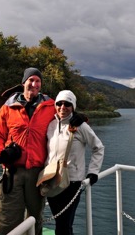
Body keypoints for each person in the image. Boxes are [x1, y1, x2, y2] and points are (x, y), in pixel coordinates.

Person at [0, 67, 55, 235]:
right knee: (7, 218)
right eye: (31, 80)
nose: (34, 84)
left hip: (37, 173)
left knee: (35, 218)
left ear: (41, 85)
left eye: (38, 81)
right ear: (23, 83)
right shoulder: (8, 107)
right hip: (12, 172)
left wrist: (78, 120)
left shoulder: (50, 106)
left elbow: (67, 115)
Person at [46, 90, 105, 235]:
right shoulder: (51, 124)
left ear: (73, 106)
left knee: (64, 225)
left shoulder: (80, 126)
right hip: (51, 180)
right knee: (60, 222)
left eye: (67, 104)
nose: (62, 107)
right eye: (59, 103)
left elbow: (98, 147)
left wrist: (93, 172)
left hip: (72, 182)